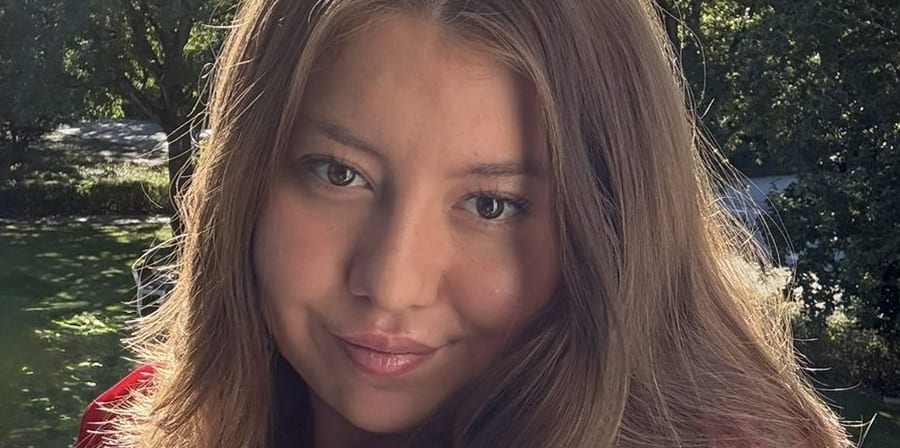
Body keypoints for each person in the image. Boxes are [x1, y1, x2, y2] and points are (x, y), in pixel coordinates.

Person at [76, 0, 852, 447]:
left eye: (492, 205)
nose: (390, 283)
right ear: (246, 179)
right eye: (338, 173)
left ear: (614, 230)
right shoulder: (132, 428)